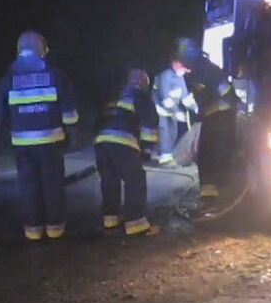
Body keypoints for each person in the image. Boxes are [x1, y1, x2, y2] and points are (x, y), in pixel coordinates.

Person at [0, 30, 79, 241]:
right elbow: (69, 110)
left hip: (22, 144)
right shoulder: (54, 75)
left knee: (29, 185)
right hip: (51, 142)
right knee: (52, 184)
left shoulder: (9, 77)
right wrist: (71, 129)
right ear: (42, 49)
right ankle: (55, 228)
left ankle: (33, 229)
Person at [94, 69, 160, 236]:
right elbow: (149, 124)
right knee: (135, 181)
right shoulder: (141, 96)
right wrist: (147, 148)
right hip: (123, 142)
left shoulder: (115, 96)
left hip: (101, 143)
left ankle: (110, 221)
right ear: (144, 83)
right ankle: (137, 225)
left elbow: (99, 119)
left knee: (109, 181)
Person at [174, 37, 239, 203]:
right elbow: (224, 92)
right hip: (226, 117)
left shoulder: (200, 71)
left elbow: (207, 96)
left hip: (217, 117)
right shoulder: (208, 68)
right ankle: (218, 191)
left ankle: (209, 196)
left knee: (207, 154)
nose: (185, 67)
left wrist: (199, 115)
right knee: (219, 153)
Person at [152, 61, 197, 165]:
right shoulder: (165, 77)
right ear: (176, 68)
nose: (184, 73)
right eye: (183, 70)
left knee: (173, 131)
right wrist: (177, 113)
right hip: (160, 108)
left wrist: (195, 108)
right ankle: (164, 157)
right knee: (165, 131)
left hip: (172, 108)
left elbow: (185, 97)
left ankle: (167, 154)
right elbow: (165, 100)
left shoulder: (180, 78)